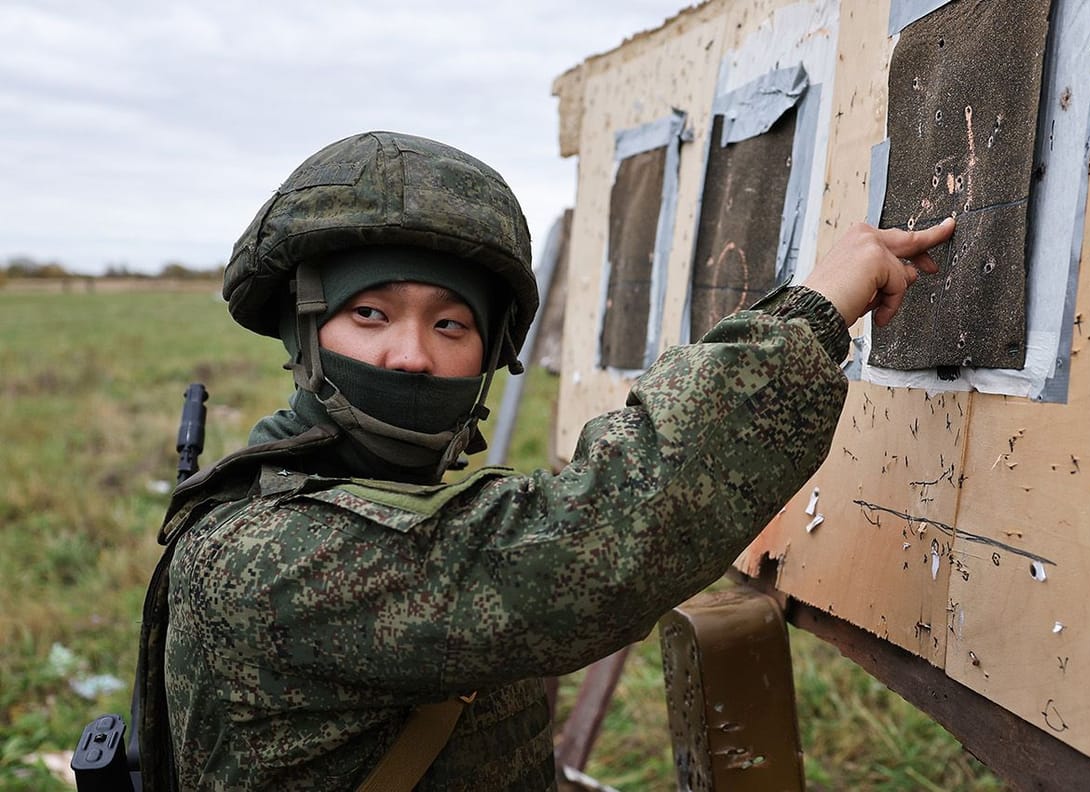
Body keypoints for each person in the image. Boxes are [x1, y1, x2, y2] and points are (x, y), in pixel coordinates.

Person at [140, 130, 954, 790]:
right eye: (370, 313)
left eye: (450, 325)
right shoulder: (267, 555)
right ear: (306, 330)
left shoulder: (366, 495)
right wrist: (817, 311)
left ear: (490, 353)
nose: (411, 356)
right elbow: (600, 538)